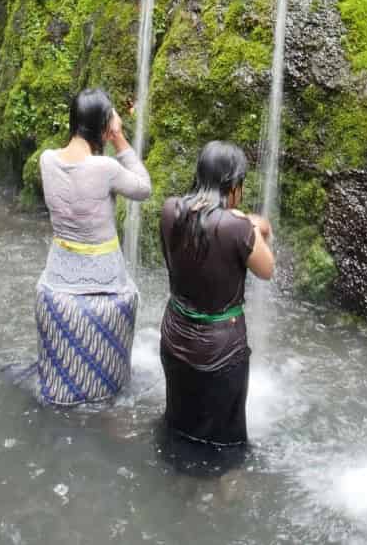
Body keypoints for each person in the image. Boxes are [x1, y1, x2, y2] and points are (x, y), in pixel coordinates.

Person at [19, 88, 152, 405]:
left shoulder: (47, 160)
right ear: (104, 126)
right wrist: (119, 139)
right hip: (104, 281)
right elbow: (144, 188)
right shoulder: (105, 168)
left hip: (58, 277)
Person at [158, 140, 274, 448]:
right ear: (233, 185)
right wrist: (251, 224)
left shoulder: (171, 210)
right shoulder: (237, 227)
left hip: (174, 335)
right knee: (225, 440)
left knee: (180, 423)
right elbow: (267, 269)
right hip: (221, 351)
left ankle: (180, 481)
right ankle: (223, 492)